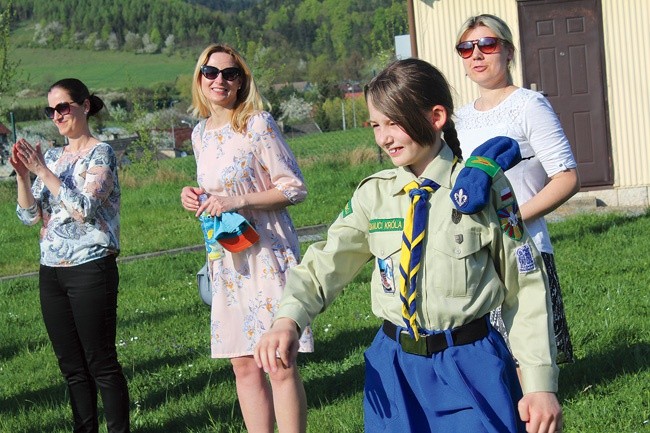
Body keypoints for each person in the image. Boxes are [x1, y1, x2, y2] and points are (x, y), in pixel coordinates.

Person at [255, 58, 563, 433]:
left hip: (468, 365)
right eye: (375, 125)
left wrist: (539, 384)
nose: (383, 137)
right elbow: (325, 263)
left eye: (394, 123)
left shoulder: (485, 191)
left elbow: (524, 288)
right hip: (394, 366)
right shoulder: (375, 195)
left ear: (436, 117)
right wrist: (289, 318)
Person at [180, 43, 313, 433]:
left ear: (242, 82)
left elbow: (294, 188)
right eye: (211, 72)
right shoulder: (200, 134)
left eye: (230, 73)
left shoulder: (257, 124)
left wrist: (239, 199)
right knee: (242, 363)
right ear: (200, 79)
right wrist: (195, 196)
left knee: (277, 360)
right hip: (227, 257)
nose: (219, 80)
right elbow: (217, 186)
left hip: (267, 254)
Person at [454, 13, 579, 364]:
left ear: (508, 51)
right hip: (477, 250)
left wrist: (510, 220)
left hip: (523, 246)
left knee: (530, 355)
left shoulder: (529, 105)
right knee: (489, 358)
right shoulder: (459, 119)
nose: (476, 54)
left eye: (487, 44)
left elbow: (567, 177)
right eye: (466, 48)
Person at [10, 78, 130, 433]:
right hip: (52, 273)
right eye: (51, 110)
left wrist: (43, 173)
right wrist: (21, 176)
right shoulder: (51, 156)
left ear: (85, 106)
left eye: (63, 107)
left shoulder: (100, 153)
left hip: (91, 268)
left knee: (101, 363)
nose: (57, 115)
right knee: (71, 367)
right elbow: (29, 216)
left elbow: (84, 209)